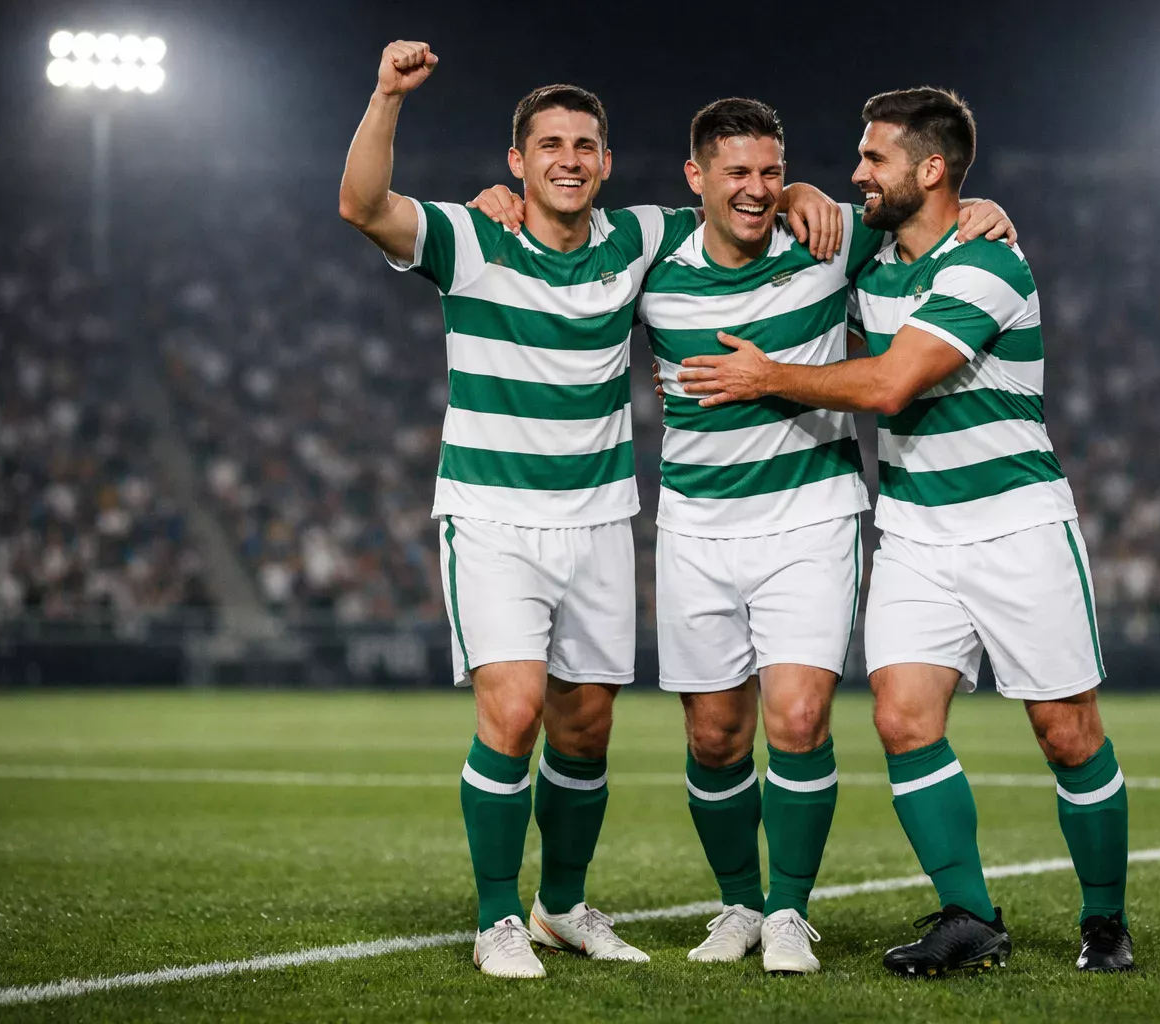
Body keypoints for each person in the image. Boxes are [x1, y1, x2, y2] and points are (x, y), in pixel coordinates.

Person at [472, 97, 1014, 975]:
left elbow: (927, 221)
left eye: (773, 170)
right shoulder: (652, 265)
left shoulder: (830, 238)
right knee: (715, 738)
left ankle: (790, 911)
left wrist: (984, 209)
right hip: (694, 524)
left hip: (810, 515)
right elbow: (561, 234)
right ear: (697, 181)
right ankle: (739, 903)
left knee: (798, 718)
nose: (759, 190)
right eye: (738, 174)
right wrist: (503, 200)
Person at [337, 41, 835, 979]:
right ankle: (497, 919)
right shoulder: (471, 239)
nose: (569, 157)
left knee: (585, 728)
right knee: (514, 711)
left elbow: (739, 202)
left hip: (604, 519)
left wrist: (805, 191)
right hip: (491, 517)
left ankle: (561, 904)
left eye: (586, 145)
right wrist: (387, 99)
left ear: (606, 164)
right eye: (550, 144)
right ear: (516, 162)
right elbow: (362, 206)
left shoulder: (638, 239)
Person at [677, 87, 1134, 976]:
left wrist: (769, 377)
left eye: (875, 157)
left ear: (931, 169)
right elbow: (789, 203)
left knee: (1067, 731)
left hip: (1016, 525)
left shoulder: (991, 265)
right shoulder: (872, 256)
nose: (858, 173)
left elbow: (892, 385)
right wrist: (803, 188)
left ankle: (1106, 920)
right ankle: (970, 914)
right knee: (901, 719)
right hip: (916, 531)